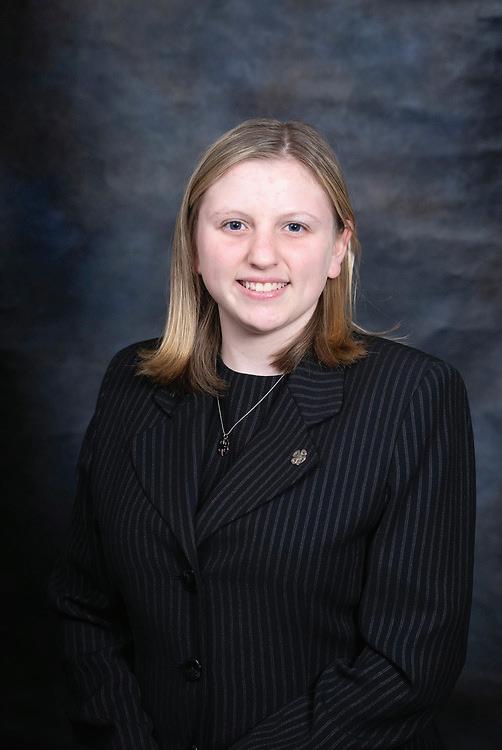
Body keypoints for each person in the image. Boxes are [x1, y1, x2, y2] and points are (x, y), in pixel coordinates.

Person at [49, 118, 476, 750]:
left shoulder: (413, 396)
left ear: (339, 249)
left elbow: (408, 664)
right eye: (234, 224)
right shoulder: (130, 383)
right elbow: (84, 608)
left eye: (295, 227)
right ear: (194, 245)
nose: (262, 255)